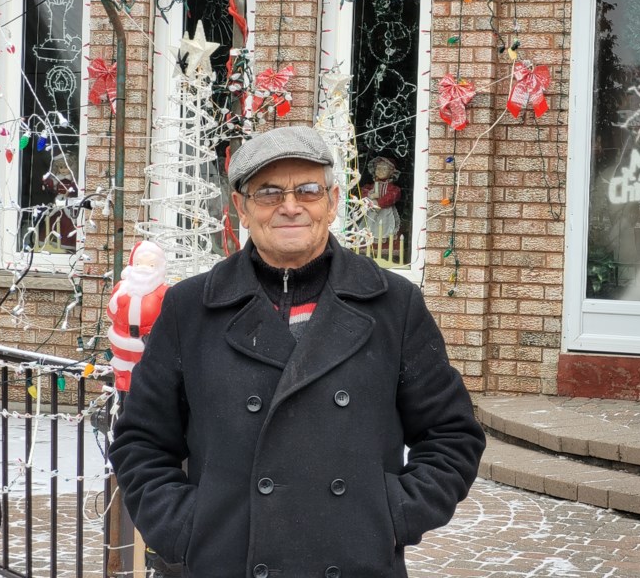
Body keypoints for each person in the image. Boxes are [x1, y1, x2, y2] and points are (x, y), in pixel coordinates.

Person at [109, 125, 486, 578]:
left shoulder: (392, 304)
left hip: (354, 564)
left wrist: (392, 516)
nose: (290, 207)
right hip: (226, 562)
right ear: (241, 209)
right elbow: (140, 441)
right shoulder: (191, 307)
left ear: (332, 202)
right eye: (268, 193)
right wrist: (186, 527)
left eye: (307, 190)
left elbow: (452, 436)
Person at [106, 240, 169, 392]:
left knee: (147, 376)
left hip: (146, 343)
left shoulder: (163, 292)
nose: (144, 268)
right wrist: (117, 301)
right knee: (122, 369)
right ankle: (122, 382)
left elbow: (168, 319)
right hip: (120, 339)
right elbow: (110, 312)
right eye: (139, 263)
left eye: (151, 264)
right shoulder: (121, 288)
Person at [362, 155, 402, 242]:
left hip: (385, 212)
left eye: (384, 169)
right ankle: (369, 238)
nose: (380, 171)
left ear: (391, 172)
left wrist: (379, 203)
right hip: (372, 212)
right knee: (370, 225)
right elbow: (363, 194)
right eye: (378, 168)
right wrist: (369, 195)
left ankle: (382, 239)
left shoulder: (392, 188)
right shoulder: (371, 186)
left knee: (384, 225)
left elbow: (393, 196)